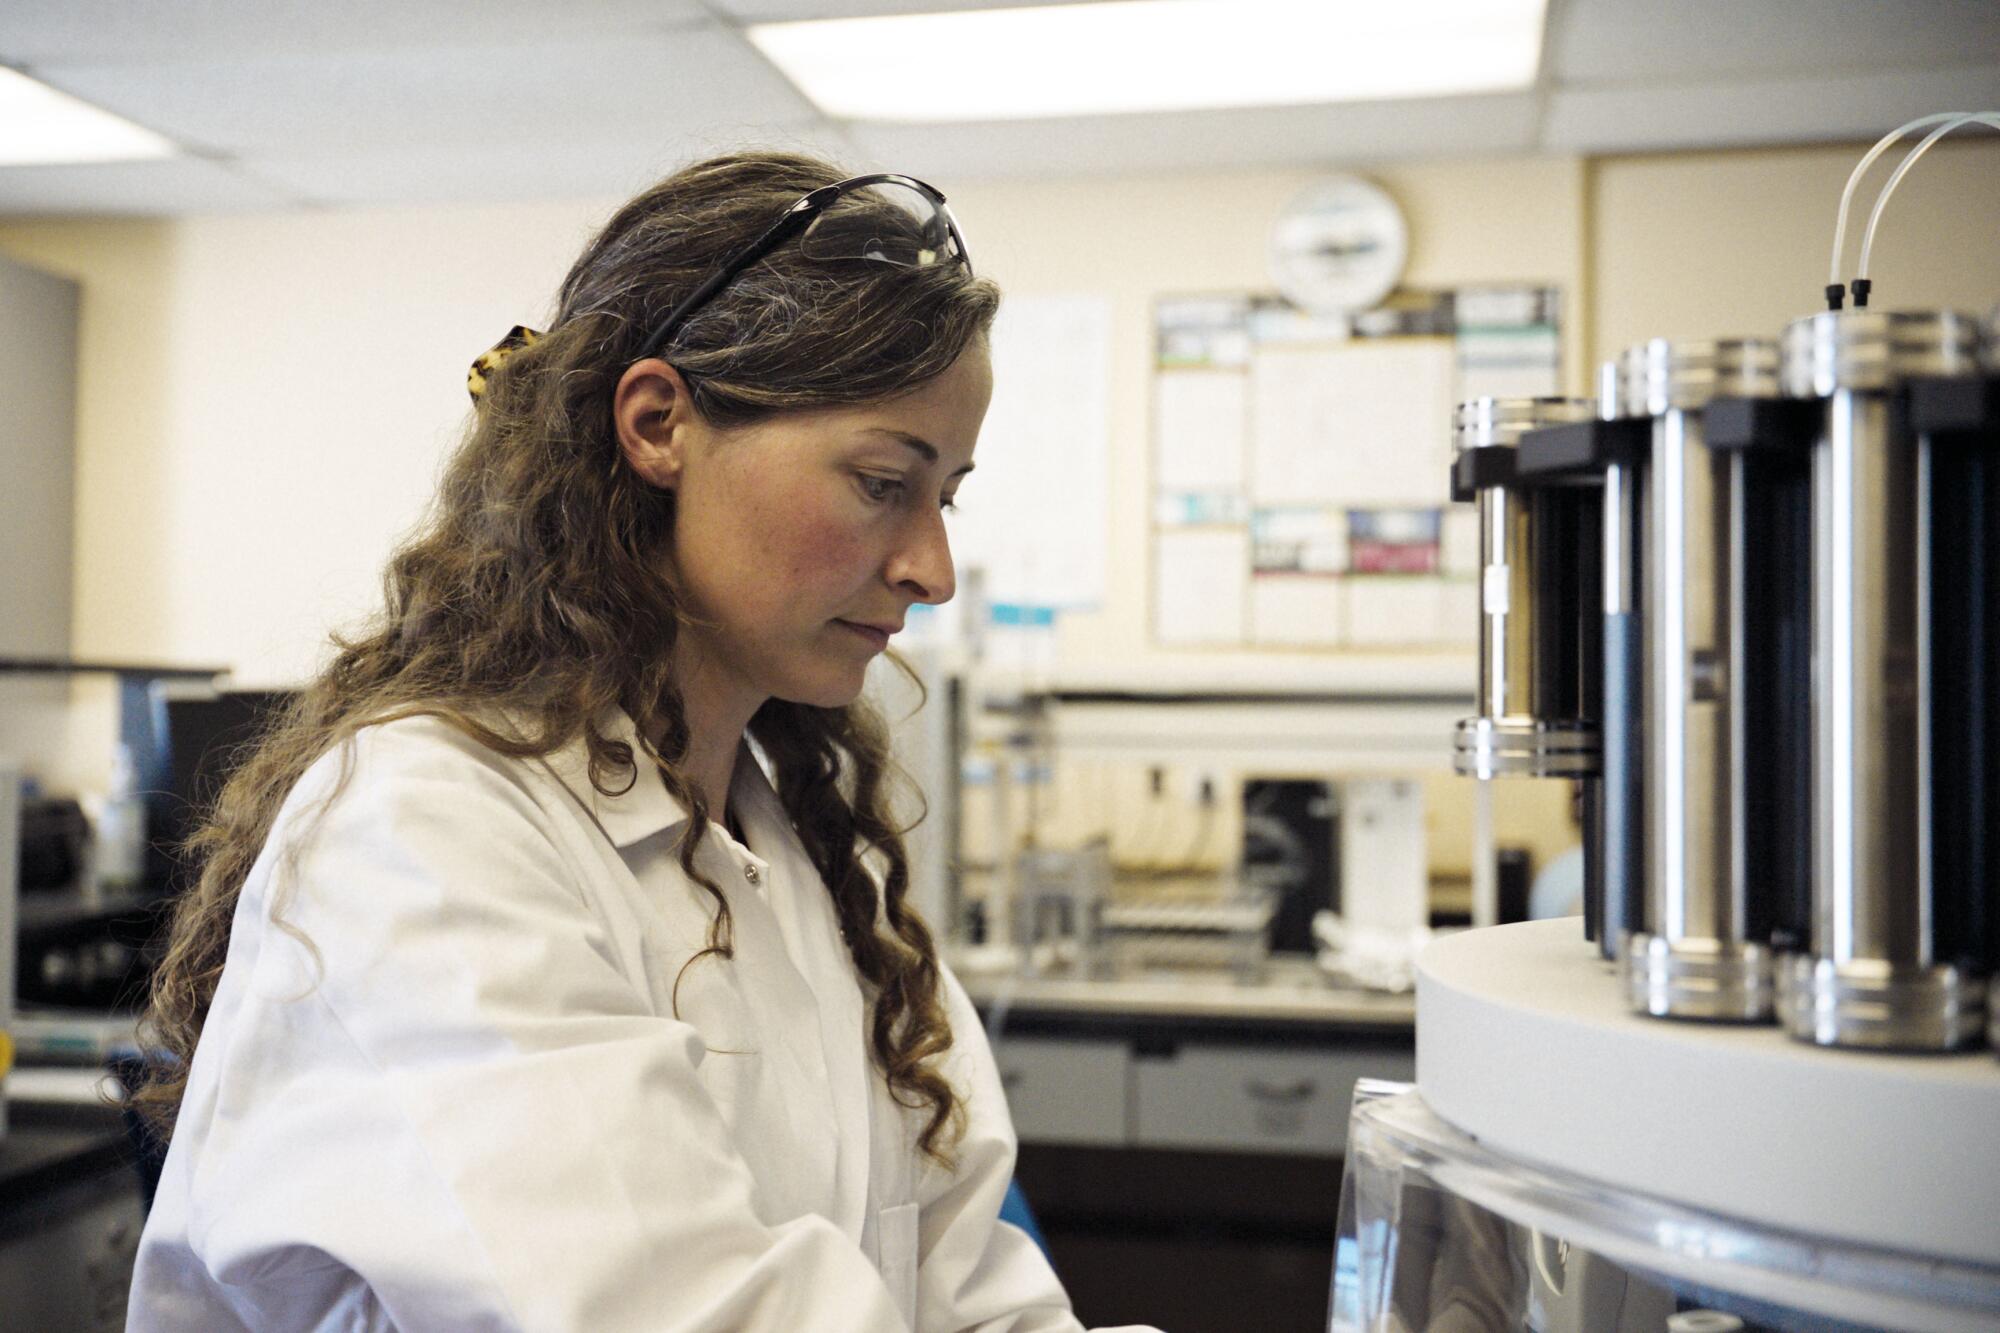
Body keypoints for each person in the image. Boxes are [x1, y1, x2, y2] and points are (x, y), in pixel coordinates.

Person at [125, 150, 1159, 1333]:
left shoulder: (820, 860)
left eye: (946, 496)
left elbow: (971, 1300)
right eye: (883, 481)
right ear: (659, 422)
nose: (930, 568)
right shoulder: (426, 831)